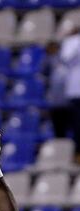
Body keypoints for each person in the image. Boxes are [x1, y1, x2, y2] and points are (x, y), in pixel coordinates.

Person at [60, 27, 80, 163]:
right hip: (75, 91)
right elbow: (66, 58)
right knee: (77, 125)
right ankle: (78, 154)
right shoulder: (71, 41)